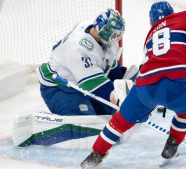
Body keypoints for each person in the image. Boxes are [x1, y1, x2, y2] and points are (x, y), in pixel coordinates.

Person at [80, 1, 186, 168]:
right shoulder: (183, 18)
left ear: (152, 21)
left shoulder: (150, 36)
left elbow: (152, 65)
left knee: (120, 121)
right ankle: (172, 144)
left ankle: (94, 156)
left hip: (145, 85)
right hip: (176, 83)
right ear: (171, 13)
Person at [15, 8, 137, 147]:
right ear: (105, 31)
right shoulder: (78, 48)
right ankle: (35, 129)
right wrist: (119, 99)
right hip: (60, 88)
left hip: (81, 84)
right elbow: (94, 84)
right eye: (114, 34)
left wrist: (119, 86)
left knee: (107, 116)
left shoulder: (102, 37)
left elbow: (110, 63)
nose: (117, 38)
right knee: (89, 127)